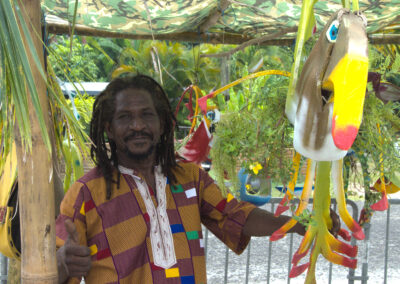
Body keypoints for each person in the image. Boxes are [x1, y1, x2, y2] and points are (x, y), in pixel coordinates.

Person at [55, 74, 337, 283]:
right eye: (125, 117)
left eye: (146, 115)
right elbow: (49, 267)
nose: (137, 125)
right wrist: (63, 263)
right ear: (109, 127)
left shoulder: (189, 177)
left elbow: (235, 216)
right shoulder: (85, 194)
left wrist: (297, 223)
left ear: (162, 123)